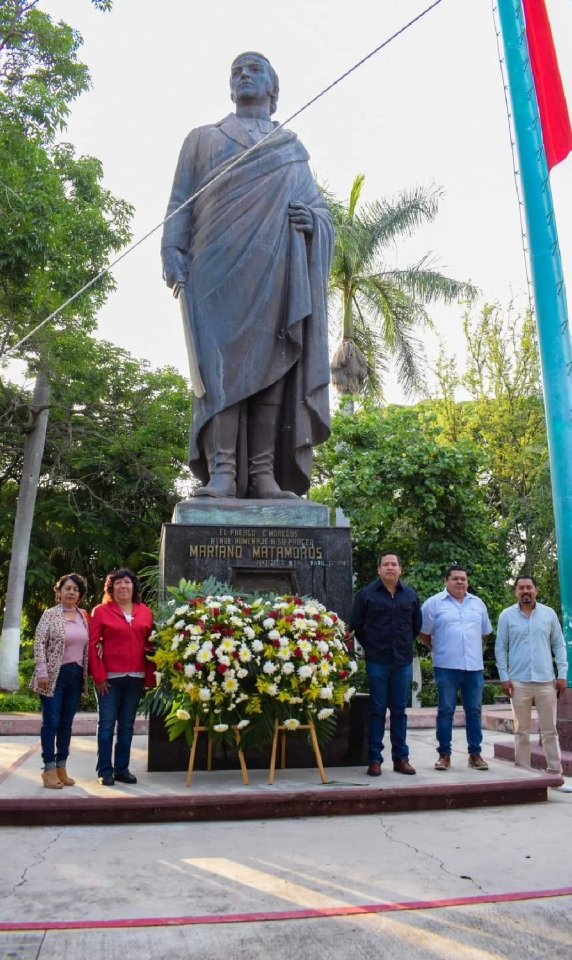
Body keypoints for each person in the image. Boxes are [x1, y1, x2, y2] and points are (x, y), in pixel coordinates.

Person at [162, 52, 334, 500]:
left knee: (272, 367)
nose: (243, 75)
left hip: (274, 268)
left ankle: (263, 475)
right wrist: (171, 250)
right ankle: (222, 473)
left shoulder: (290, 149)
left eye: (253, 69)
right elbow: (181, 202)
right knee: (221, 373)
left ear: (273, 88)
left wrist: (313, 222)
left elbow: (316, 208)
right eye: (236, 71)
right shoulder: (202, 140)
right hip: (214, 269)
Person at [495, 575, 572, 793]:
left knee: (549, 730)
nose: (525, 591)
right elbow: (501, 648)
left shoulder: (548, 614)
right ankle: (522, 776)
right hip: (518, 682)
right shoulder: (507, 616)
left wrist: (562, 674)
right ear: (516, 592)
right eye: (521, 588)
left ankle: (555, 775)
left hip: (546, 681)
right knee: (521, 731)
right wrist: (504, 677)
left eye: (529, 587)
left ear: (536, 590)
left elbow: (559, 645)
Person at [350, 552, 421, 776]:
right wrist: (372, 646)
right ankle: (374, 759)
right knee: (377, 710)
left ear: (400, 569)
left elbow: (415, 627)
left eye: (394, 564)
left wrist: (401, 645)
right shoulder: (366, 594)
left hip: (402, 662)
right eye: (385, 564)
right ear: (379, 569)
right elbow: (356, 625)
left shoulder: (410, 595)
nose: (389, 567)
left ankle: (401, 759)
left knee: (399, 711)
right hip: (377, 661)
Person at [419, 565, 492, 771]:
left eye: (463, 579)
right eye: (455, 579)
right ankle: (444, 755)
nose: (460, 582)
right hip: (446, 666)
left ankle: (475, 754)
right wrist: (437, 648)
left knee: (474, 711)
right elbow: (423, 632)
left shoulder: (478, 604)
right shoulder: (434, 604)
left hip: (474, 667)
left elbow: (483, 631)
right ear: (446, 581)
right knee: (445, 711)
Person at [89, 568, 155, 786]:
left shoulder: (145, 611)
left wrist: (150, 677)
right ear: (111, 588)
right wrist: (98, 676)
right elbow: (92, 645)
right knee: (107, 724)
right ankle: (104, 770)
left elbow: (151, 643)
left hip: (135, 677)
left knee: (127, 725)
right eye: (118, 583)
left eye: (127, 582)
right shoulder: (100, 611)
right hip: (109, 679)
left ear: (134, 586)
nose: (123, 586)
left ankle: (122, 769)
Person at [29, 573, 89, 789]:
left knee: (66, 723)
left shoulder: (83, 616)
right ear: (59, 592)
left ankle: (62, 766)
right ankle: (48, 768)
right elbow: (39, 644)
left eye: (75, 589)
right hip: (53, 676)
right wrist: (42, 671)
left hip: (75, 676)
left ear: (79, 595)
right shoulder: (50, 615)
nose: (71, 592)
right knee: (51, 722)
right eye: (67, 588)